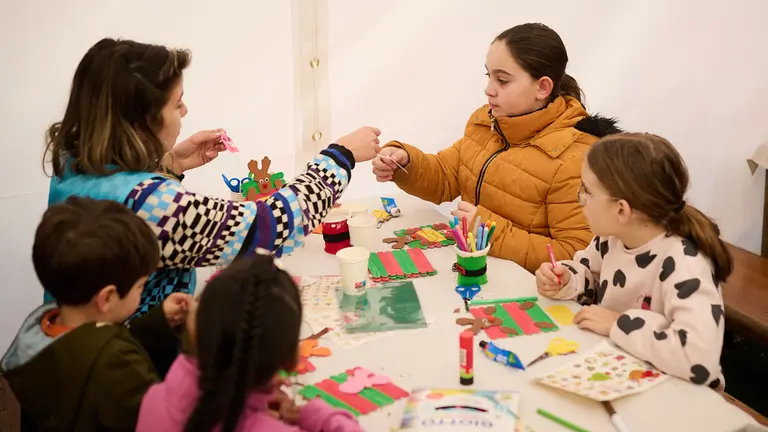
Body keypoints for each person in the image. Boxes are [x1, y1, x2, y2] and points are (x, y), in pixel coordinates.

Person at [44, 37, 381, 316]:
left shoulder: (73, 166)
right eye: (176, 104)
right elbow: (269, 227)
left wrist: (171, 165)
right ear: (142, 121)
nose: (185, 111)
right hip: (138, 361)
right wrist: (340, 157)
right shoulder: (153, 204)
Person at [372, 23, 620, 272]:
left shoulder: (576, 157)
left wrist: (487, 230)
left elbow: (576, 255)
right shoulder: (487, 124)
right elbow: (446, 176)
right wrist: (406, 162)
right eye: (488, 76)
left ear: (542, 87)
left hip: (531, 290)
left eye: (502, 80)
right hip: (479, 274)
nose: (488, 90)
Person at [535, 133, 731, 390]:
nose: (580, 198)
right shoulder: (611, 238)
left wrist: (617, 324)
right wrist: (565, 279)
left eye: (587, 191)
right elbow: (590, 275)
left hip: (680, 393)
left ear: (621, 210)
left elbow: (698, 359)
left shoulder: (685, 263)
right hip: (624, 367)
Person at [1, 197, 192, 431]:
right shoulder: (117, 364)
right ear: (107, 297)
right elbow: (159, 421)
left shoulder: (44, 326)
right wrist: (194, 352)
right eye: (140, 286)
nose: (141, 291)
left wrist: (158, 323)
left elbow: (96, 346)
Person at [136, 254, 364, 432]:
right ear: (291, 360)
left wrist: (255, 401)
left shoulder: (153, 399)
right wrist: (315, 415)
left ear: (196, 333)